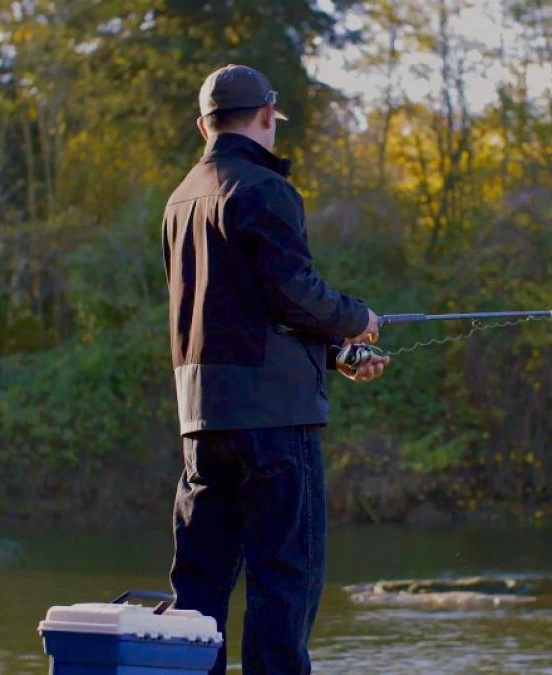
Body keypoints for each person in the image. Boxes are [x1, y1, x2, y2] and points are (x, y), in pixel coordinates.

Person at [161, 64, 391, 674]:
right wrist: (354, 319)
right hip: (277, 426)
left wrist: (335, 352)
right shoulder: (265, 189)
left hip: (201, 424)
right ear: (266, 115)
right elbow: (292, 291)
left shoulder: (179, 200)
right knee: (282, 586)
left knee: (199, 591)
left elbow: (241, 310)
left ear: (202, 125)